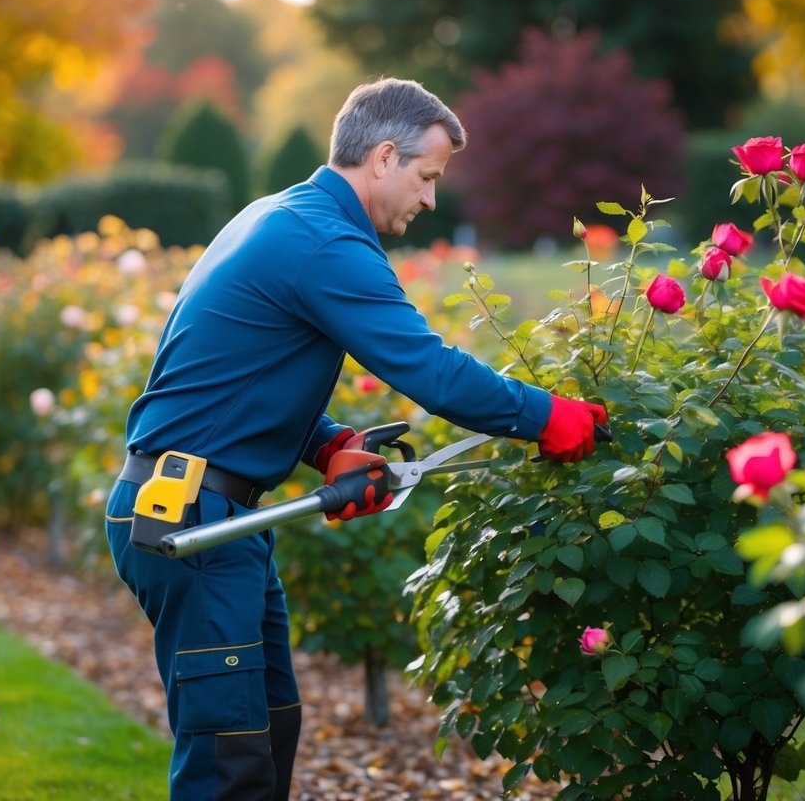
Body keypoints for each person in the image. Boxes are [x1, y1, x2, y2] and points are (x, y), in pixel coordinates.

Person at [105, 77, 608, 801]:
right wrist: (547, 415)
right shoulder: (323, 241)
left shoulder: (276, 215)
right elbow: (431, 372)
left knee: (270, 725)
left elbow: (233, 380)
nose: (431, 199)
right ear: (381, 157)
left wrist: (329, 444)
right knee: (228, 761)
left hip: (209, 510)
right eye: (427, 176)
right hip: (191, 518)